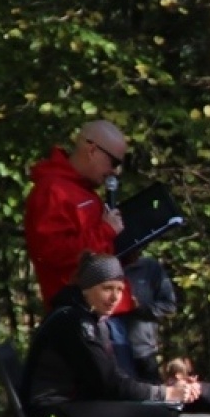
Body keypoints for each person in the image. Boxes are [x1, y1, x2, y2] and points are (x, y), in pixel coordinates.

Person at [19, 252, 200, 417]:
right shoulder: (76, 323)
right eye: (107, 289)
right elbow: (111, 384)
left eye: (119, 289)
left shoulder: (81, 316)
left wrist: (154, 394)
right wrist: (166, 394)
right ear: (86, 288)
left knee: (149, 413)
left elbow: (107, 382)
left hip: (67, 408)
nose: (115, 297)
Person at [23, 120, 134, 314]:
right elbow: (54, 253)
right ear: (92, 150)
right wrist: (106, 231)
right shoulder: (53, 190)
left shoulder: (85, 191)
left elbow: (99, 253)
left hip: (107, 309)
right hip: (79, 312)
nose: (114, 172)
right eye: (114, 162)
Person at [120, 245, 178, 382]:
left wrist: (139, 307)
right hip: (110, 351)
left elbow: (169, 306)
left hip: (143, 350)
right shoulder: (105, 267)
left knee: (151, 396)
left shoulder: (150, 268)